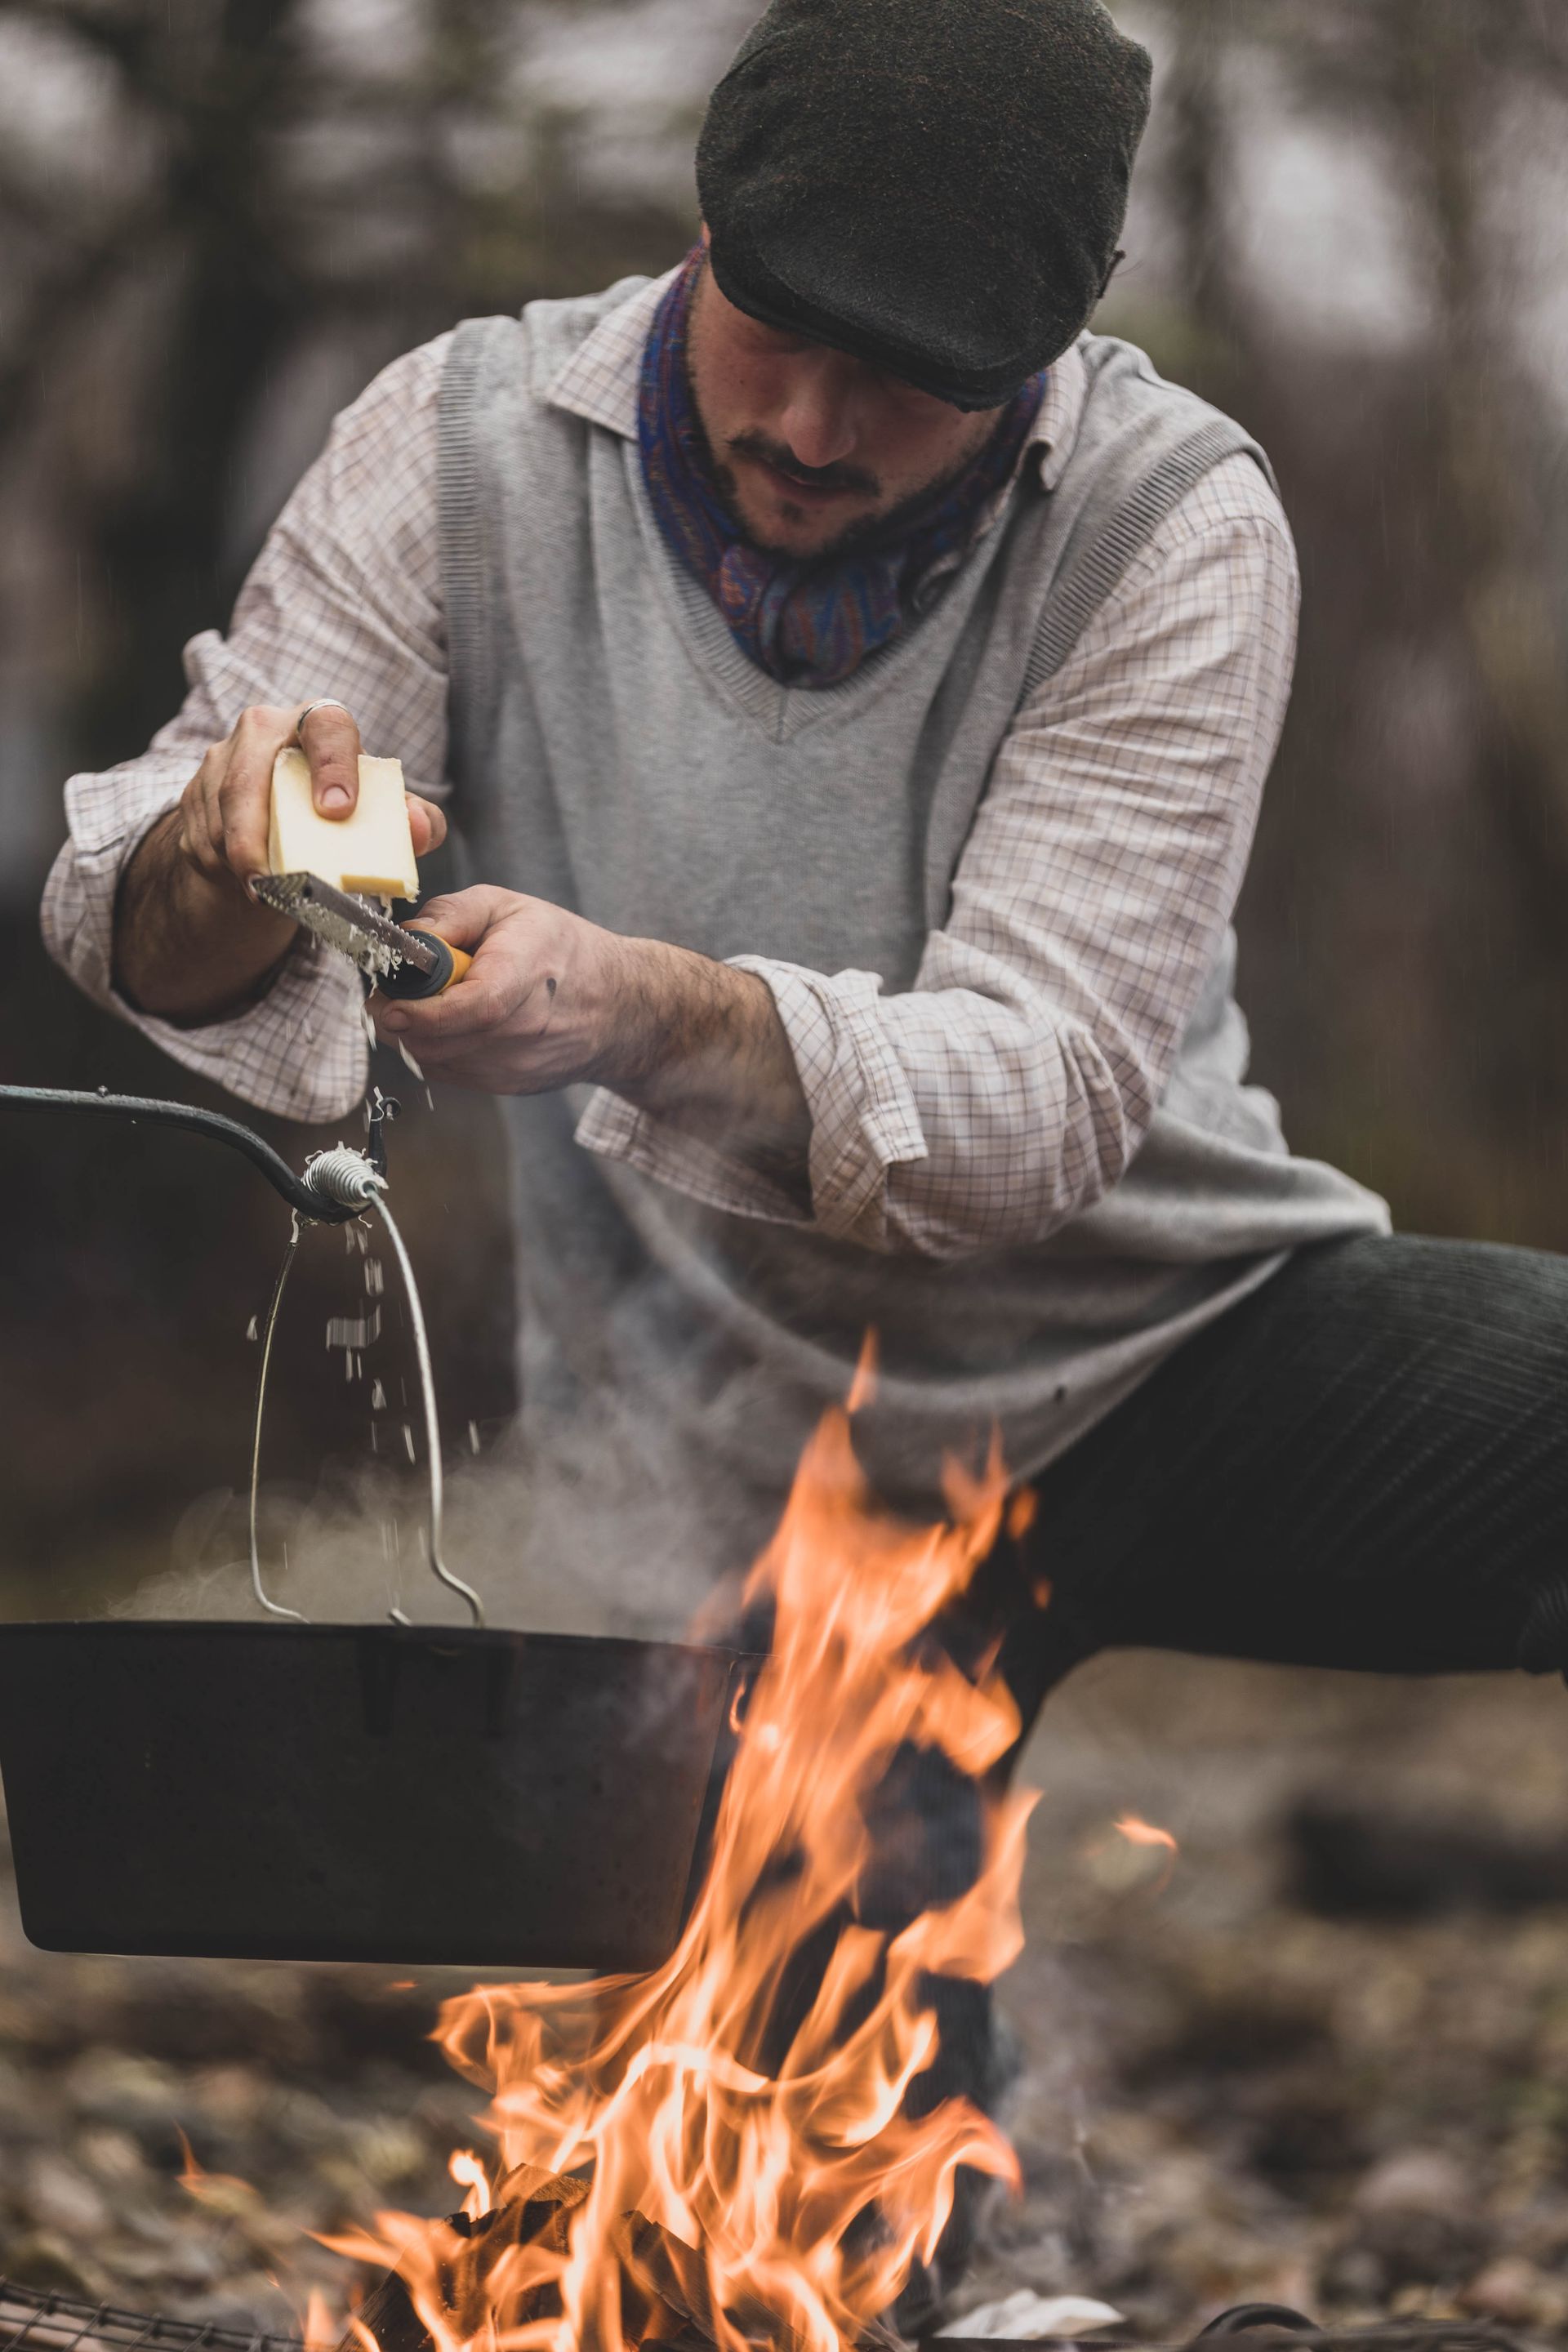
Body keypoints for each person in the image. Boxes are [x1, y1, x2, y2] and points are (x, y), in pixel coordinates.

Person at [41, 0, 1568, 2292]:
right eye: (779, 333)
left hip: (1177, 1338)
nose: (820, 426)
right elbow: (133, 911)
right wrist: (221, 866)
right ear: (702, 230)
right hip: (737, 1475)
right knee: (802, 2221)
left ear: (1045, 357)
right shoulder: (454, 438)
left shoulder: (1175, 524)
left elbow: (1037, 1096)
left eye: (918, 375)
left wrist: (646, 1006)